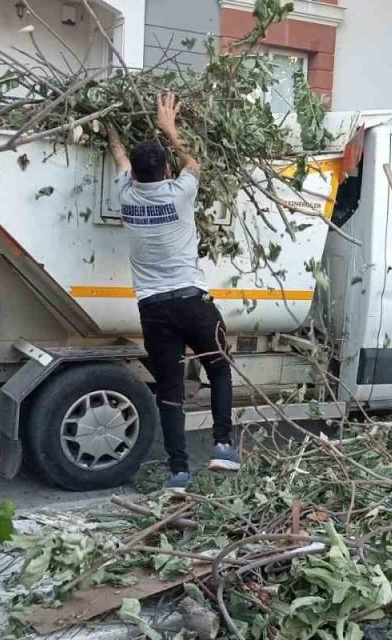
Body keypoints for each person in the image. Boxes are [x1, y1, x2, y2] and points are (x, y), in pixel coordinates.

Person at [105, 93, 239, 491]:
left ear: (135, 175)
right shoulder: (180, 193)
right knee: (218, 368)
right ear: (166, 169)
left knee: (170, 389)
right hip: (192, 301)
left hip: (153, 309)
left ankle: (178, 472)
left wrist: (109, 122)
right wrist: (170, 129)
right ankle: (221, 446)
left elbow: (117, 155)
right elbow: (194, 162)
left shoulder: (125, 196)